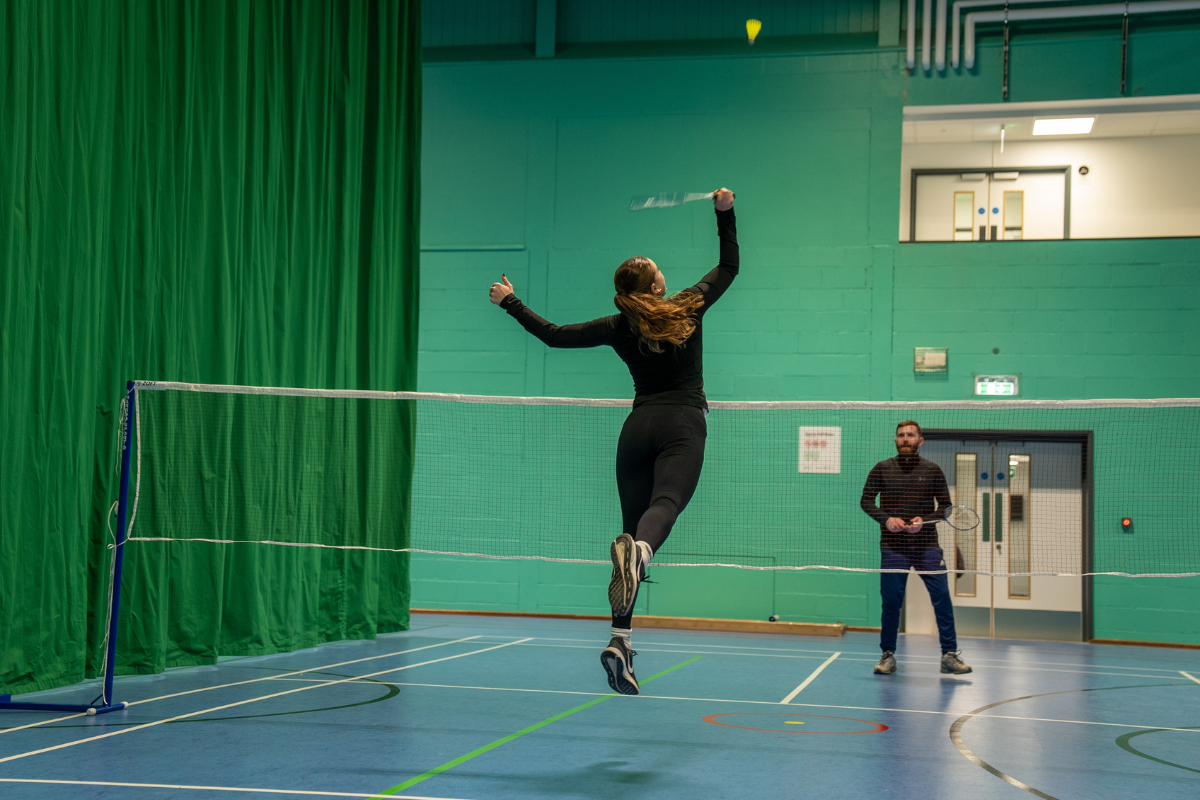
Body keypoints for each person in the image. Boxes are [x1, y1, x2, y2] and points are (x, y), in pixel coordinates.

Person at [489, 188, 738, 695]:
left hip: (637, 428)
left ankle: (619, 641)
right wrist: (725, 211)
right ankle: (642, 555)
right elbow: (729, 265)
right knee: (663, 508)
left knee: (628, 532)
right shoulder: (687, 305)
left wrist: (510, 302)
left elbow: (554, 335)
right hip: (682, 422)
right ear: (656, 283)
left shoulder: (616, 326)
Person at [860, 420, 972, 675]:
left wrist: (925, 520)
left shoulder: (933, 470)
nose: (905, 438)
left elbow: (945, 507)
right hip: (893, 547)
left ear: (920, 441)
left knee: (942, 598)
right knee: (891, 603)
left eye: (910, 435)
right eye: (901, 435)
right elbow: (866, 501)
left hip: (927, 546)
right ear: (896, 440)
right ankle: (887, 655)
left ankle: (949, 655)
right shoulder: (881, 469)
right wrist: (887, 520)